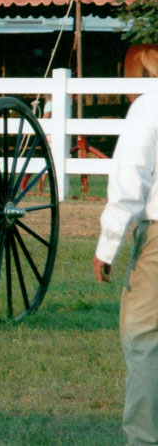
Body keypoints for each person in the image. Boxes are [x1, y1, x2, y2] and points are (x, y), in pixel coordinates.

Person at [93, 93, 158, 445]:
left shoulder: (151, 104)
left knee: (144, 337)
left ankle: (144, 439)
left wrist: (108, 244)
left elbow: (130, 178)